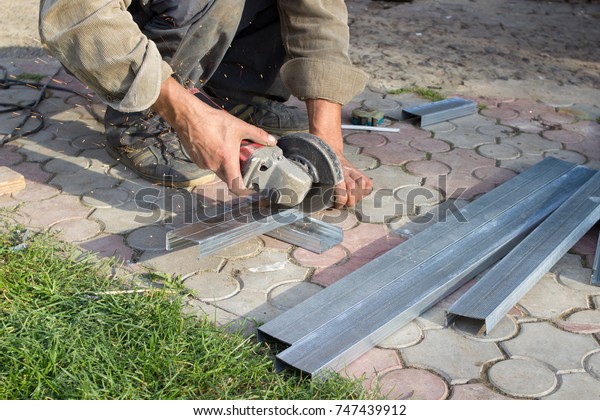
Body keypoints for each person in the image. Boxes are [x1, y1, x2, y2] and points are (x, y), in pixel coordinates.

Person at [39, 0, 373, 208]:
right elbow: (75, 13)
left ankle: (234, 97)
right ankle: (143, 119)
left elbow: (317, 11)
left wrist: (326, 142)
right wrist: (186, 116)